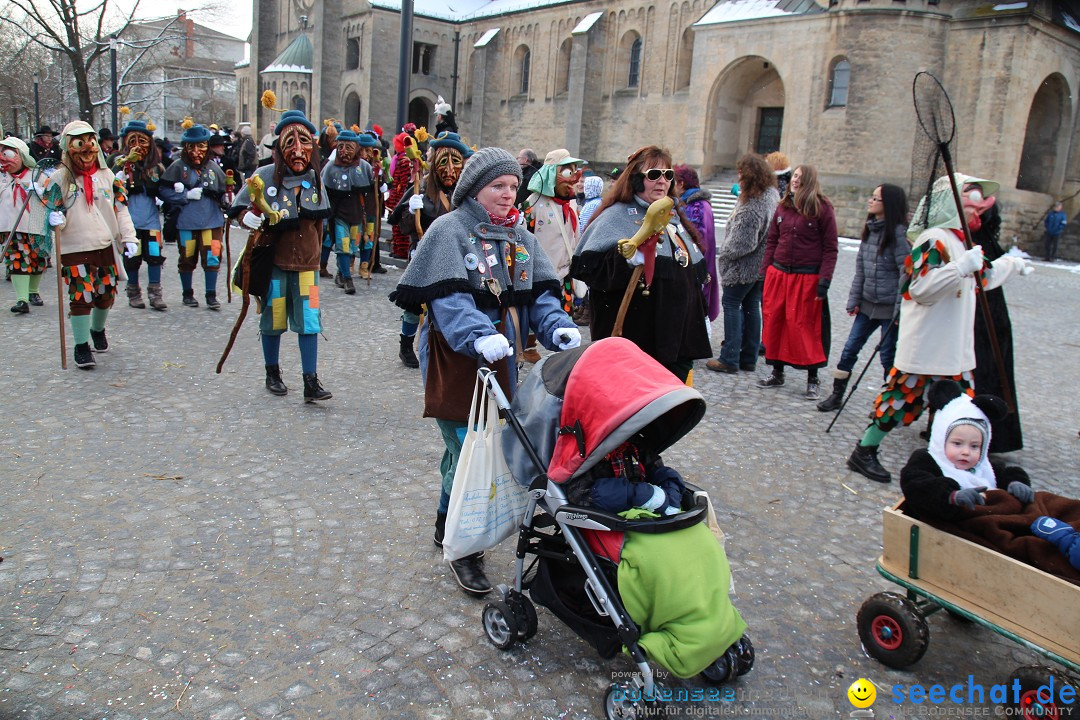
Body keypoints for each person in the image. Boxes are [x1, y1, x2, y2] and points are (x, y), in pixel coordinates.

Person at [390, 146, 580, 596]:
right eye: (498, 186)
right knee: (470, 450)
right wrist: (477, 333)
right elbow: (448, 301)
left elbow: (540, 296)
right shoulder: (449, 230)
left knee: (467, 454)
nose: (508, 194)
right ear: (475, 189)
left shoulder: (520, 235)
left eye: (514, 186)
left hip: (505, 363)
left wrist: (556, 327)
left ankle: (445, 523)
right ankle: (464, 548)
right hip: (457, 363)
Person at [847, 173, 1033, 484]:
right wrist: (960, 267)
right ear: (953, 203)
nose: (977, 212)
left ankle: (954, 466)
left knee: (961, 409)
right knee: (899, 401)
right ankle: (864, 451)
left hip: (954, 349)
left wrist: (1011, 266)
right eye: (971, 204)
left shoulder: (961, 241)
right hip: (927, 345)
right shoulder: (933, 239)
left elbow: (981, 279)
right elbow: (920, 288)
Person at [572, 145, 711, 383]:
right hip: (640, 335)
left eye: (668, 175)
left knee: (673, 404)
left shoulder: (673, 218)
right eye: (654, 175)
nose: (662, 181)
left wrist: (699, 316)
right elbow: (590, 269)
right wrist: (624, 259)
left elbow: (690, 272)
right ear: (636, 179)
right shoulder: (614, 216)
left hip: (678, 336)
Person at [231, 109, 333, 402]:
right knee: (273, 320)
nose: (298, 150)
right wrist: (245, 218)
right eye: (291, 143)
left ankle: (310, 381)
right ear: (280, 147)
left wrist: (317, 254)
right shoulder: (263, 176)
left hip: (308, 269)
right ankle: (272, 372)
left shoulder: (316, 180)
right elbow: (240, 206)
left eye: (304, 142)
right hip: (275, 266)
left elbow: (320, 222)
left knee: (310, 321)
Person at [46, 121, 137, 369]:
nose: (86, 148)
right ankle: (81, 345)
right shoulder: (58, 180)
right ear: (68, 146)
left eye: (90, 142)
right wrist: (54, 218)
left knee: (105, 294)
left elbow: (121, 210)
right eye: (79, 142)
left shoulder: (108, 177)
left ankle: (97, 329)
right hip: (74, 247)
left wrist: (129, 237)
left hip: (104, 245)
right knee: (81, 294)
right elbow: (48, 212)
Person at [816, 184, 909, 411]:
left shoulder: (898, 234)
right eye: (871, 196)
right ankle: (837, 395)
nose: (870, 201)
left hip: (889, 308)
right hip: (868, 305)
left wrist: (899, 309)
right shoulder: (870, 229)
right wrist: (854, 300)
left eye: (876, 198)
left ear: (888, 204)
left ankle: (892, 404)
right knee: (849, 349)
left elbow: (906, 274)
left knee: (888, 356)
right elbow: (861, 269)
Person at [387, 131, 472, 368]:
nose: (449, 169)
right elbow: (401, 224)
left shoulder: (466, 193)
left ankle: (444, 343)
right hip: (424, 251)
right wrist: (411, 211)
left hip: (456, 256)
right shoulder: (421, 189)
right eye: (443, 162)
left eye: (455, 162)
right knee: (416, 304)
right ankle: (406, 345)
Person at [899, 380, 1033, 522]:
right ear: (941, 440)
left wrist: (1016, 482)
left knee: (1041, 506)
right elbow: (916, 485)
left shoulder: (983, 467)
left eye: (974, 446)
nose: (966, 452)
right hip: (951, 523)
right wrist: (951, 496)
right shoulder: (929, 460)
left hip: (989, 519)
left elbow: (1005, 473)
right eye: (957, 444)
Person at [757, 165, 838, 399]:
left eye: (801, 178)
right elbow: (772, 241)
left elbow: (831, 248)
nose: (795, 181)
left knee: (806, 328)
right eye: (794, 176)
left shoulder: (822, 209)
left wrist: (825, 280)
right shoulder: (783, 207)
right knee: (777, 323)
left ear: (809, 181)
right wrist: (765, 272)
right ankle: (777, 372)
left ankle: (813, 378)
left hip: (807, 278)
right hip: (779, 274)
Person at [706, 153, 779, 374]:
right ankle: (748, 357)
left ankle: (729, 358)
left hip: (744, 266)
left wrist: (724, 254)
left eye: (740, 173)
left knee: (732, 306)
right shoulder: (770, 195)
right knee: (750, 307)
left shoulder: (753, 205)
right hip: (760, 265)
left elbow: (742, 243)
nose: (738, 177)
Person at [970, 193, 1023, 452]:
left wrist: (1011, 265)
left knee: (986, 373)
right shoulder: (974, 239)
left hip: (986, 318)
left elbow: (986, 277)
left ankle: (988, 433)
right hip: (981, 315)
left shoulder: (982, 242)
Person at [159, 122, 228, 310]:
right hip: (187, 223)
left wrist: (226, 199)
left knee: (213, 257)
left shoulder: (214, 168)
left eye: (201, 146)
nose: (196, 151)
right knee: (187, 258)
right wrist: (183, 196)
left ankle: (211, 294)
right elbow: (162, 190)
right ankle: (187, 293)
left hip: (212, 222)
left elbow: (224, 190)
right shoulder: (177, 167)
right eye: (192, 146)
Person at [114, 119, 168, 311]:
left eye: (142, 141)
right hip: (130, 221)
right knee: (133, 257)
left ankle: (155, 292)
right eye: (132, 141)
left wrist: (170, 194)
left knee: (154, 255)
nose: (137, 146)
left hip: (151, 221)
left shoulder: (156, 168)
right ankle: (133, 292)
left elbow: (166, 188)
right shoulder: (119, 165)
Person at [320, 128, 375, 295]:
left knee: (352, 245)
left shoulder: (364, 167)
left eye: (349, 147)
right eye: (341, 147)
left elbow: (370, 190)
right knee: (343, 245)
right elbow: (324, 190)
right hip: (338, 213)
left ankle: (340, 273)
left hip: (357, 213)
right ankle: (347, 279)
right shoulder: (330, 167)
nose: (344, 151)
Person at [1, 137, 50, 314]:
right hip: (12, 227)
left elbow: (52, 197)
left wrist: (42, 193)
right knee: (17, 261)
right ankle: (21, 299)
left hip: (36, 225)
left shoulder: (38, 175)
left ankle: (33, 292)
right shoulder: (2, 177)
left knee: (38, 260)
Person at [674, 164, 719, 330]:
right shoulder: (696, 204)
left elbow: (697, 241)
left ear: (681, 183)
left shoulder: (696, 207)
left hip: (696, 268)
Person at [386, 126, 417, 260]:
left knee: (400, 225)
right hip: (396, 194)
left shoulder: (405, 161)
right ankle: (397, 248)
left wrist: (397, 194)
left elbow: (403, 182)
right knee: (396, 226)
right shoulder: (400, 159)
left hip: (399, 196)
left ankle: (402, 249)